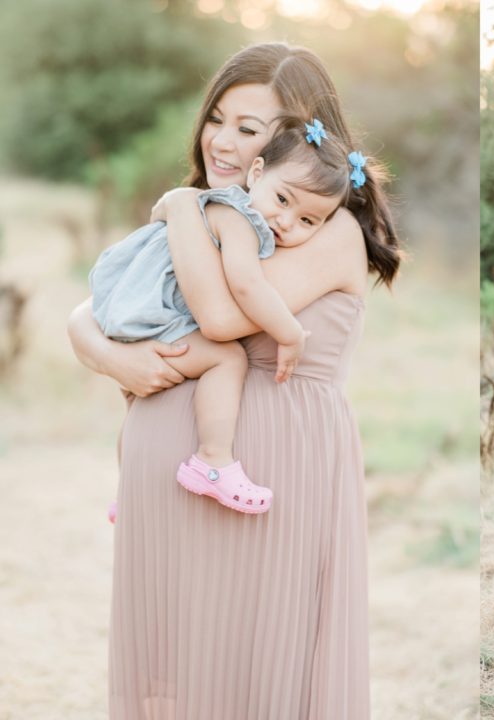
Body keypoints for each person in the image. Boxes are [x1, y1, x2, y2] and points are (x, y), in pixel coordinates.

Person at [67, 42, 400, 718]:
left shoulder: (324, 228)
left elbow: (218, 316)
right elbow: (114, 305)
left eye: (247, 127)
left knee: (260, 667)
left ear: (291, 137)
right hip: (182, 461)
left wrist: (183, 207)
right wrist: (101, 349)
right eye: (217, 118)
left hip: (274, 461)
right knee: (187, 670)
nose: (221, 140)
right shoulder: (227, 217)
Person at [90, 120, 354, 515]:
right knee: (228, 358)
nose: (285, 222)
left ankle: (126, 490)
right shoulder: (237, 216)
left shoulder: (214, 208)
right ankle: (212, 461)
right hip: (155, 314)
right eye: (283, 200)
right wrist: (290, 332)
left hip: (133, 310)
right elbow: (247, 286)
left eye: (307, 221)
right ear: (258, 172)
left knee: (135, 402)